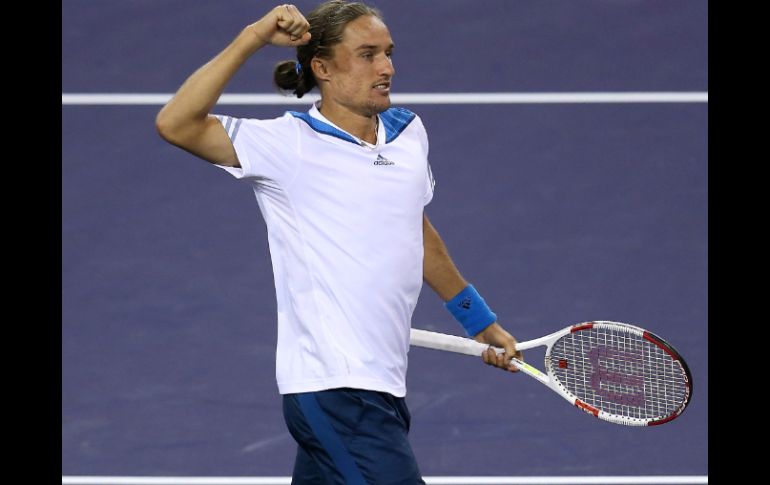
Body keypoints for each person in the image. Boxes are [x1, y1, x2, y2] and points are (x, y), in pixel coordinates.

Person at [156, 2, 523, 483]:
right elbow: (176, 123)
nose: (386, 68)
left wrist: (478, 319)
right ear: (322, 68)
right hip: (334, 388)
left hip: (382, 384)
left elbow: (413, 228)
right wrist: (253, 37)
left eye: (388, 53)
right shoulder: (287, 144)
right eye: (367, 55)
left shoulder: (409, 133)